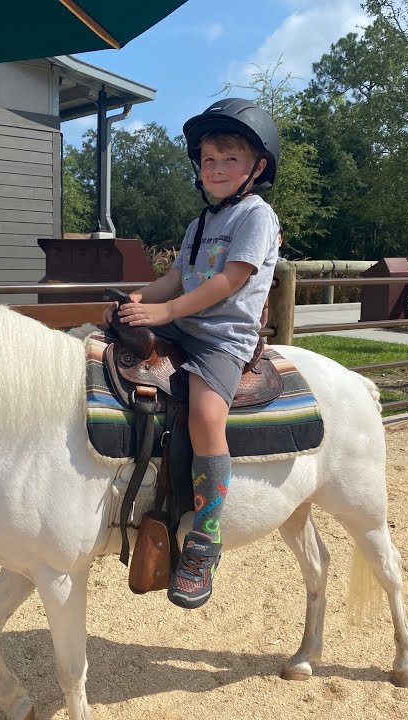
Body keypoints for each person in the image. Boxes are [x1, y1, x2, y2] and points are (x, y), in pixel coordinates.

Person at [104, 98, 281, 609]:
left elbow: (230, 281)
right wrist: (140, 300)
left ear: (256, 167)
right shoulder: (199, 223)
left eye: (229, 159)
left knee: (205, 415)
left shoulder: (256, 216)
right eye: (209, 160)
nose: (217, 169)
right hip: (183, 323)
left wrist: (164, 313)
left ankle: (205, 537)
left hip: (223, 337)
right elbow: (176, 277)